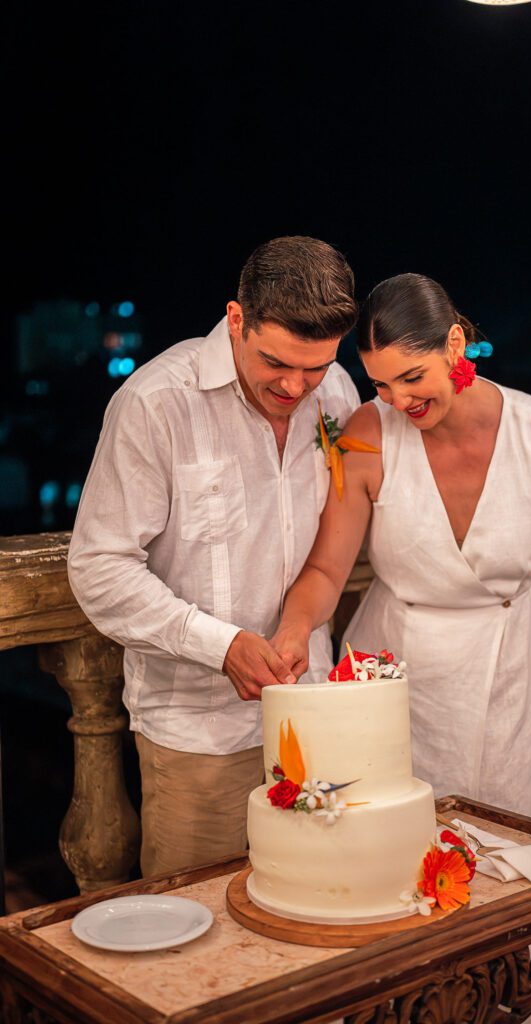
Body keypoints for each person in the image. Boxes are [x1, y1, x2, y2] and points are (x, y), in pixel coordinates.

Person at [273, 272, 531, 1024]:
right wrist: (287, 634)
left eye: (412, 377)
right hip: (394, 674)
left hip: (509, 672)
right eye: (380, 384)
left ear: (454, 345)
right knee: (394, 867)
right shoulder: (369, 438)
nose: (401, 400)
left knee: (516, 864)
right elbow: (323, 570)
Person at [67, 236, 359, 876]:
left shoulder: (336, 395)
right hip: (197, 734)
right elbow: (99, 568)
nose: (296, 385)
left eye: (315, 366)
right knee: (199, 936)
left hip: (312, 714)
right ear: (236, 320)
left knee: (318, 909)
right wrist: (220, 644)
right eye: (277, 362)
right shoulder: (156, 403)